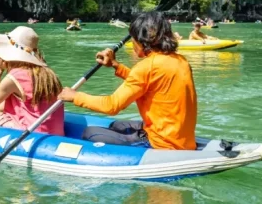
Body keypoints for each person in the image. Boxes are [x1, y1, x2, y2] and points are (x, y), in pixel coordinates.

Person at [58, 11, 197, 149]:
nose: (132, 42)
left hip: (163, 144)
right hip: (180, 136)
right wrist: (115, 65)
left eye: (133, 39)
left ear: (142, 41)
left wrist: (75, 96)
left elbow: (112, 106)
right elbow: (147, 82)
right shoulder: (181, 61)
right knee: (117, 125)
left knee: (90, 133)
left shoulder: (146, 66)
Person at [0, 26, 64, 135]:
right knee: (2, 104)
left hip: (29, 133)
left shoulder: (16, 76)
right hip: (55, 134)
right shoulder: (49, 74)